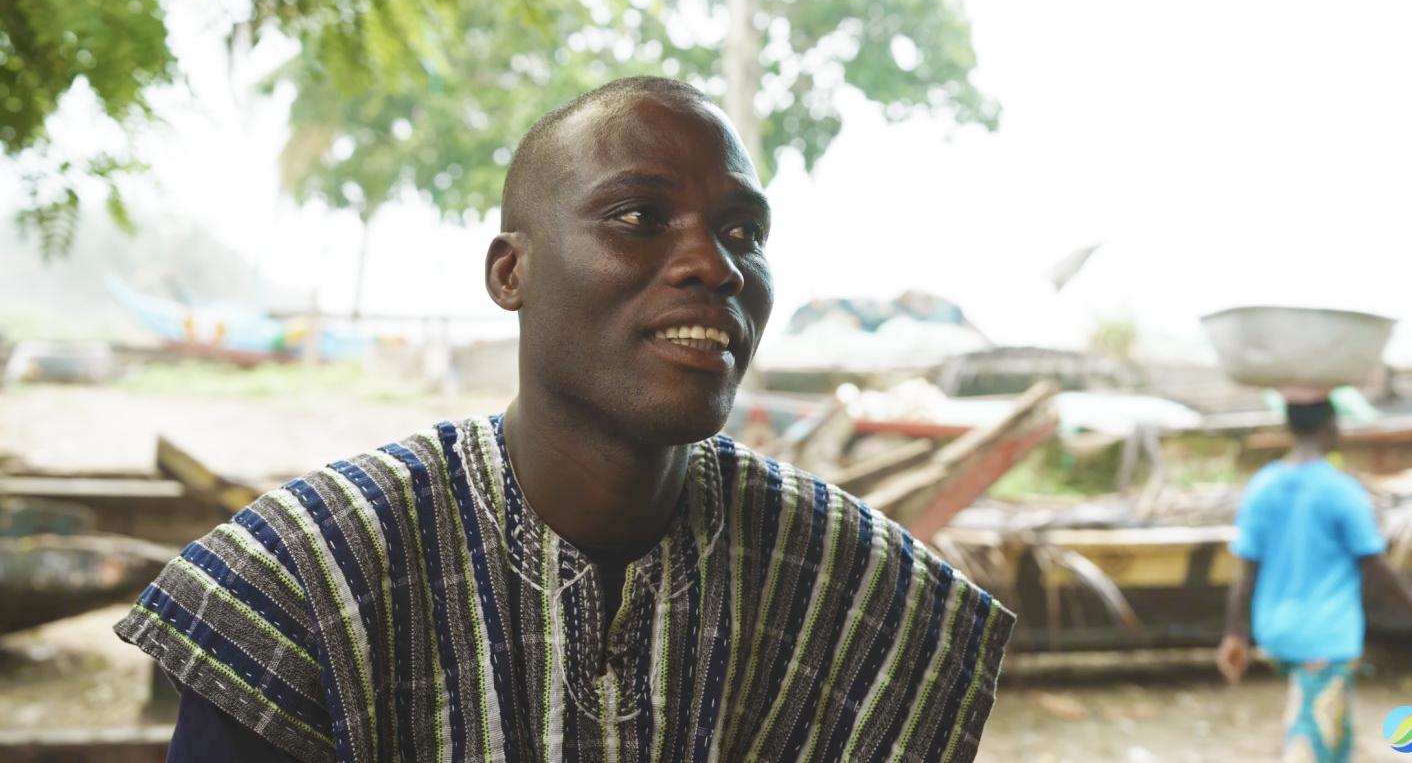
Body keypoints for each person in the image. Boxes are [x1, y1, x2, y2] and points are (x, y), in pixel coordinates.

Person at [117, 76, 1015, 762]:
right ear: (511, 272)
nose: (714, 263)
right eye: (639, 216)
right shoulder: (306, 581)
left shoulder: (860, 590)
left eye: (744, 232)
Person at [1217, 396, 1412, 762]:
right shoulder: (1340, 491)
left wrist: (1235, 634)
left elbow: (1246, 570)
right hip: (1324, 636)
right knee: (1312, 734)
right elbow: (1375, 568)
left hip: (1276, 631)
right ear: (1331, 427)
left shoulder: (1263, 486)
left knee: (1329, 725)